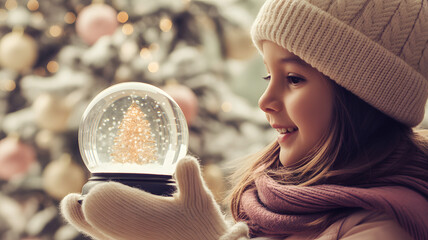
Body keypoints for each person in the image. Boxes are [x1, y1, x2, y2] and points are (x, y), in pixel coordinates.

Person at [61, 0, 428, 239]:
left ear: (362, 99)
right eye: (269, 76)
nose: (265, 101)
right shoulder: (271, 205)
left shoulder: (384, 227)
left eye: (294, 79)